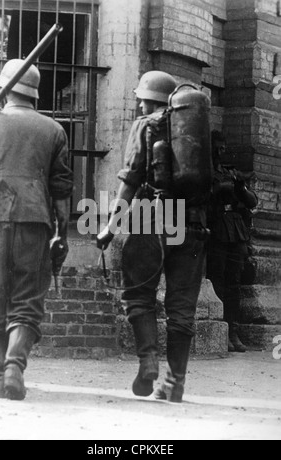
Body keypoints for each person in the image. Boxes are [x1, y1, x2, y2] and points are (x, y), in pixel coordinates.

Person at [97, 71, 208, 403]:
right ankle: (175, 383)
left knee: (138, 296)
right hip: (193, 225)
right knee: (182, 308)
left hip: (151, 219)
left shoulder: (145, 125)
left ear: (145, 99)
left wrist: (110, 226)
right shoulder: (196, 130)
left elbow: (130, 179)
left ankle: (148, 361)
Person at [0, 59, 73, 400]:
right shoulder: (53, 130)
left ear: (4, 90)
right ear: (34, 94)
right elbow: (62, 189)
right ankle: (14, 367)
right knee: (27, 299)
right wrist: (62, 231)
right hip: (34, 221)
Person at [207, 130, 258, 353]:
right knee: (218, 278)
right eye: (216, 147)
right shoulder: (204, 173)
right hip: (217, 229)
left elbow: (251, 201)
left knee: (234, 283)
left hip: (235, 231)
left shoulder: (230, 173)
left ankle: (233, 331)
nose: (220, 151)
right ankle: (222, 329)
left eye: (222, 147)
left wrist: (239, 187)